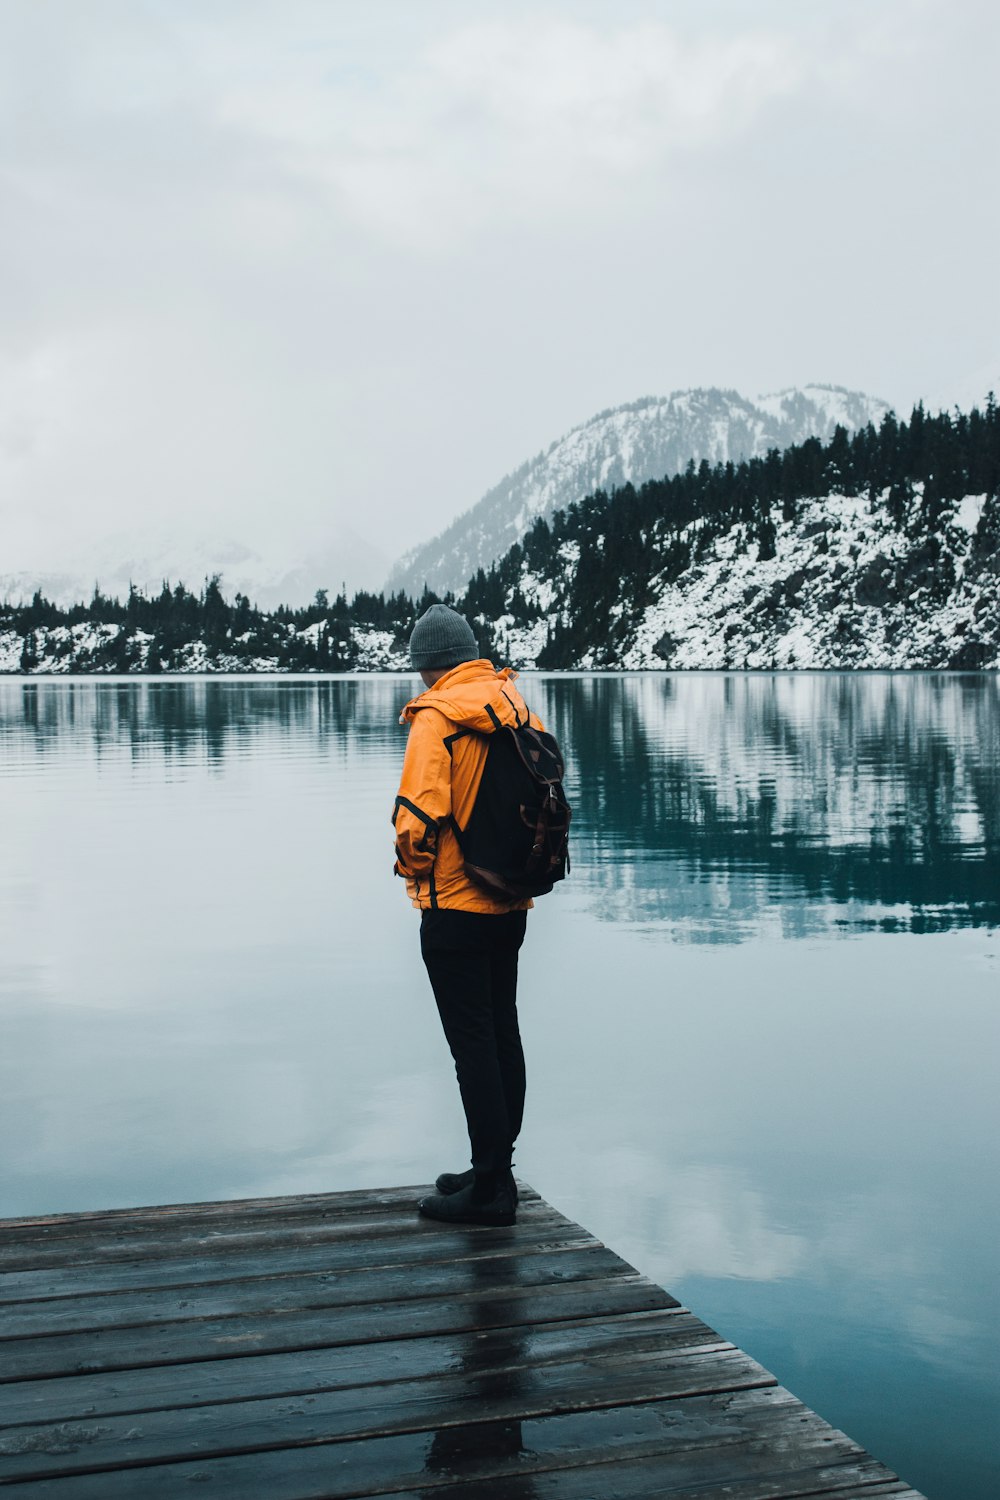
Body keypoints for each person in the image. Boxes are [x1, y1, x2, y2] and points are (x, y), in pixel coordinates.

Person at [393, 603, 542, 1226]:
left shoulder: (436, 717)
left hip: (455, 901)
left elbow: (417, 820)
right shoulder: (513, 703)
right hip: (509, 897)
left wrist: (411, 869)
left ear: (430, 667)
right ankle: (494, 1166)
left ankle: (490, 1193)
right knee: (502, 1030)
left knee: (472, 1043)